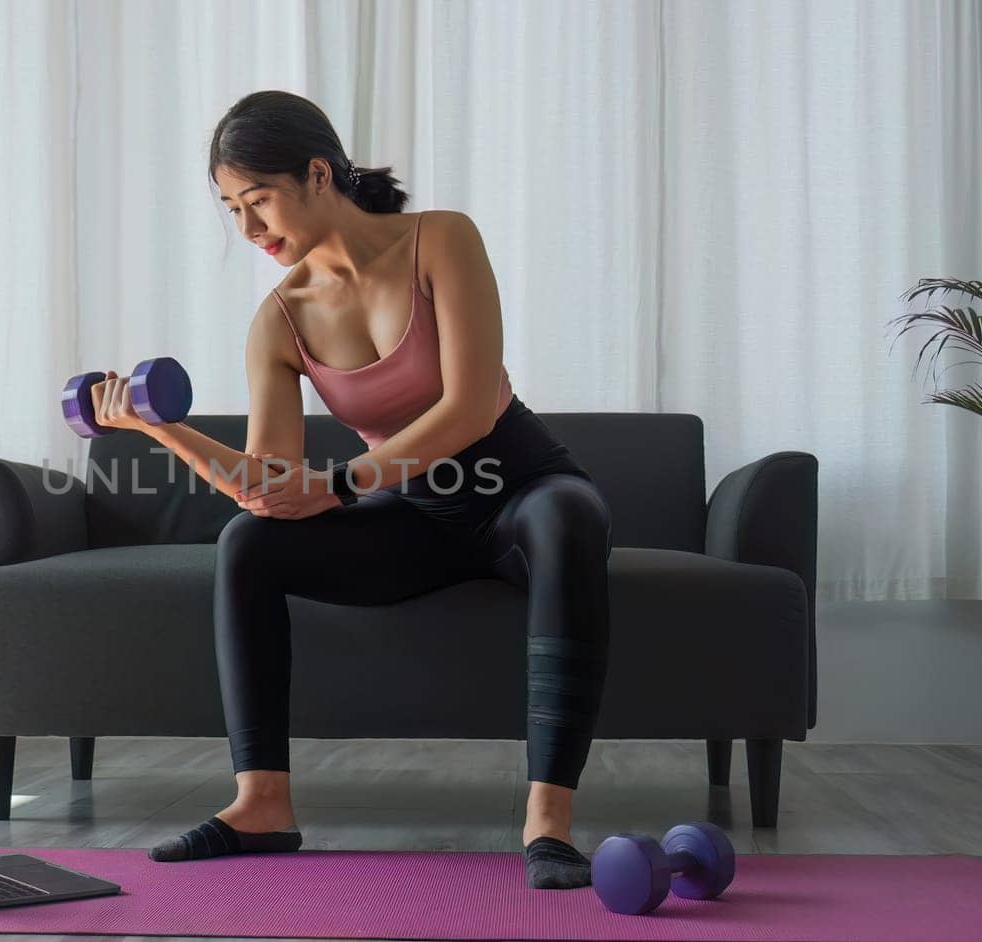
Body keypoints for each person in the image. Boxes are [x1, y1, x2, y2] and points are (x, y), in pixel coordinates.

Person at [87, 90, 613, 890]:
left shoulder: (441, 239)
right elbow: (266, 485)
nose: (250, 230)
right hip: (416, 521)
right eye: (232, 209)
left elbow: (469, 408)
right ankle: (260, 804)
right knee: (250, 542)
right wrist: (160, 431)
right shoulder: (281, 319)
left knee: (571, 516)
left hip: (521, 494)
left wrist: (340, 483)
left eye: (258, 200)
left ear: (318, 173)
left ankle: (549, 824)